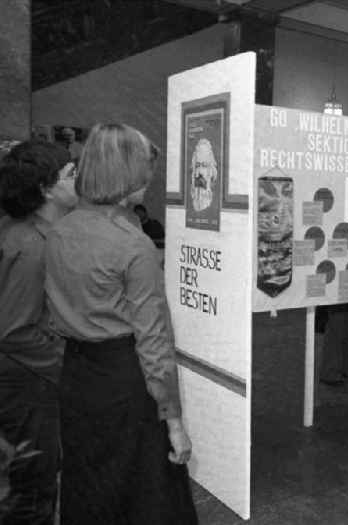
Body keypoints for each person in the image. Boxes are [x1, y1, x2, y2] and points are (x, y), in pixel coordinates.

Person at [44, 123, 197, 524]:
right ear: (126, 173)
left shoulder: (59, 231)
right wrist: (175, 424)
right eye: (145, 168)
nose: (150, 178)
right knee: (145, 493)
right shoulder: (134, 245)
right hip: (124, 381)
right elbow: (153, 344)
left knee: (89, 483)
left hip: (77, 377)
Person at [0, 141, 77, 524]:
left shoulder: (25, 232)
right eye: (70, 174)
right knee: (32, 487)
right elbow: (14, 332)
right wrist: (70, 363)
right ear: (47, 189)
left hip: (25, 379)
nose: (78, 179)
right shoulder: (30, 246)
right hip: (26, 384)